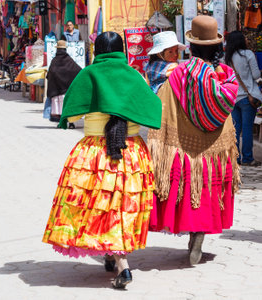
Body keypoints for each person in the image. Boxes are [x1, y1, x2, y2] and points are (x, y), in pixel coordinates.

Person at [41, 31, 162, 289]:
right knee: (121, 207)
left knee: (101, 206)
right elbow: (150, 110)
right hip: (131, 153)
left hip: (95, 153)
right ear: (122, 50)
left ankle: (122, 266)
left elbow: (70, 117)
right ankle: (113, 255)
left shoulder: (87, 75)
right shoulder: (134, 76)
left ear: (96, 50)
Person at [147, 15, 240, 265]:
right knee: (210, 188)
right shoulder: (225, 76)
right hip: (215, 146)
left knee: (188, 188)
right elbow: (227, 100)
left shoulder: (178, 74)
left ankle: (193, 232)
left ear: (192, 46)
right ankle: (199, 234)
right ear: (218, 47)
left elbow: (163, 105)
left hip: (186, 144)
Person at [225, 31, 262, 167]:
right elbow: (256, 75)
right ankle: (247, 158)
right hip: (248, 97)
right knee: (247, 129)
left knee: (236, 129)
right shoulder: (248, 54)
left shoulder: (227, 57)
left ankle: (235, 158)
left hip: (233, 97)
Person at [46, 40, 81, 128]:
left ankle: (62, 122)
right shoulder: (69, 60)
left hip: (58, 90)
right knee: (68, 106)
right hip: (68, 91)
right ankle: (71, 123)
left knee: (60, 107)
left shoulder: (55, 61)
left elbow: (51, 73)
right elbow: (78, 71)